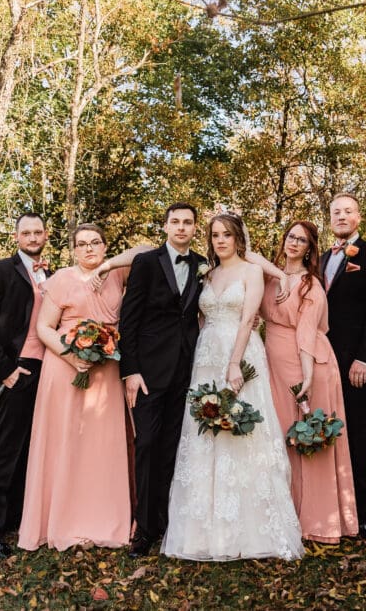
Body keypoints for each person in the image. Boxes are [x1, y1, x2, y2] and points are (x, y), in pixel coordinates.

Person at [161, 212, 303, 560]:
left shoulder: (251, 270)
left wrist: (235, 363)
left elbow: (246, 320)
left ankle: (250, 532)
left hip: (240, 354)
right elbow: (199, 317)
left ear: (238, 237)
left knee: (243, 431)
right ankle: (204, 532)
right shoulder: (206, 274)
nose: (220, 240)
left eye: (226, 234)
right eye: (214, 235)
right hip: (205, 356)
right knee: (206, 432)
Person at [17, 224, 149, 551]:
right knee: (66, 444)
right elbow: (44, 327)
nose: (89, 249)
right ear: (73, 250)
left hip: (107, 371)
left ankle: (104, 520)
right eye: (82, 244)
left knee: (102, 448)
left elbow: (148, 249)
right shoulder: (62, 279)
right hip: (65, 370)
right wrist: (70, 356)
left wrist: (108, 266)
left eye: (95, 243)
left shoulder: (118, 274)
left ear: (105, 246)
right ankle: (63, 521)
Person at [118, 203, 207, 558]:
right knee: (147, 446)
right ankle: (143, 528)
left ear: (194, 227)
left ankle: (167, 521)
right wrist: (131, 370)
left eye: (188, 222)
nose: (181, 227)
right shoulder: (146, 263)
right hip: (149, 372)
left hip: (186, 370)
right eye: (175, 222)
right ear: (165, 226)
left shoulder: (204, 264)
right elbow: (129, 320)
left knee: (173, 448)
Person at [261, 220, 358, 543]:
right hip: (272, 360)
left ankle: (316, 518)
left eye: (301, 240)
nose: (294, 243)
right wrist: (276, 274)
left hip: (306, 361)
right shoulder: (270, 276)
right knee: (278, 432)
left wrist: (306, 376)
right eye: (290, 236)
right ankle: (283, 510)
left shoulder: (311, 285)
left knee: (303, 434)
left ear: (309, 248)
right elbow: (245, 254)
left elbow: (306, 332)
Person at [0, 213, 50, 559]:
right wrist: (6, 371)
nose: (33, 237)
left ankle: (19, 521)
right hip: (18, 371)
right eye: (26, 232)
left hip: (50, 373)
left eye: (38, 231)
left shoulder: (53, 274)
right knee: (6, 450)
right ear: (17, 237)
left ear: (46, 235)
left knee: (33, 450)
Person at [320, 193, 366, 539]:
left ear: (359, 217)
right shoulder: (321, 258)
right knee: (332, 431)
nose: (342, 216)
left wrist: (364, 358)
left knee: (362, 432)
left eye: (348, 211)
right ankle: (338, 506)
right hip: (326, 360)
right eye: (336, 212)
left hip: (357, 363)